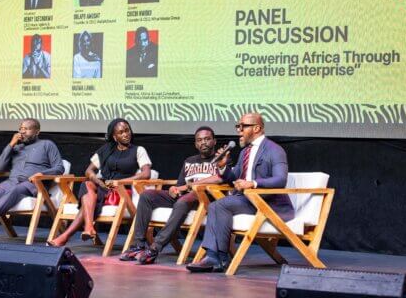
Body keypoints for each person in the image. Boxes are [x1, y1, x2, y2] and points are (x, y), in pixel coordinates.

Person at [187, 113, 294, 273]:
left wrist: (253, 183)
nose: (239, 130)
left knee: (220, 206)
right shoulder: (245, 152)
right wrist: (223, 166)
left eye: (243, 126)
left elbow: (280, 180)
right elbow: (233, 178)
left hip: (268, 203)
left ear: (256, 128)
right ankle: (215, 257)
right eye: (238, 126)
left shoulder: (274, 150)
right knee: (216, 206)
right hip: (248, 200)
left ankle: (218, 258)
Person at [120, 126, 225, 264]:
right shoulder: (189, 161)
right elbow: (179, 185)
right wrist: (173, 190)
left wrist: (188, 186)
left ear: (214, 141)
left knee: (182, 201)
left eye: (207, 139)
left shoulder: (222, 160)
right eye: (199, 140)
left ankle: (155, 248)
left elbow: (220, 178)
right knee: (146, 195)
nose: (203, 143)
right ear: (195, 144)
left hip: (203, 198)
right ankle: (138, 245)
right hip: (185, 196)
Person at [48, 118, 152, 247]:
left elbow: (146, 174)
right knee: (88, 183)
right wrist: (98, 181)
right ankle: (87, 228)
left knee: (86, 204)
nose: (126, 134)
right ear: (114, 137)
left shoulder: (138, 150)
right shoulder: (106, 150)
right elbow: (89, 171)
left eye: (127, 130)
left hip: (122, 190)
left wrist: (119, 182)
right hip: (104, 187)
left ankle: (75, 233)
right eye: (121, 132)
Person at [0, 118, 64, 243]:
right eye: (21, 129)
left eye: (27, 129)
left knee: (16, 190)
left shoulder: (47, 145)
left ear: (37, 131)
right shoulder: (17, 148)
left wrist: (42, 174)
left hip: (33, 184)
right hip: (12, 181)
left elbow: (59, 168)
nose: (22, 132)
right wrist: (10, 145)